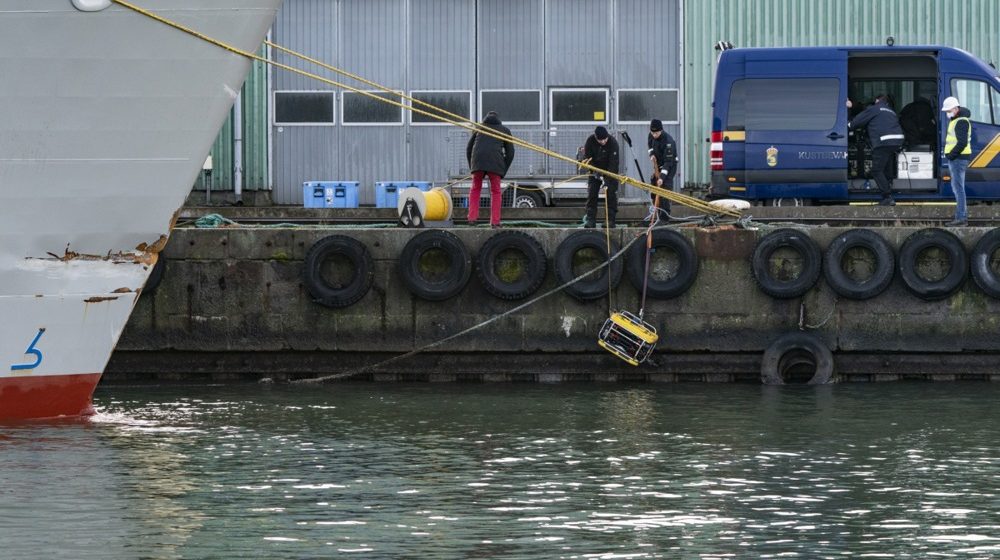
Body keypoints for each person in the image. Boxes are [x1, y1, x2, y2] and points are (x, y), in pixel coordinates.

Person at [847, 94, 905, 205]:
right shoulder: (890, 111)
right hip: (897, 142)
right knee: (887, 168)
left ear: (877, 100)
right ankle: (889, 188)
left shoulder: (874, 109)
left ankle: (887, 197)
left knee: (876, 170)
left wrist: (849, 117)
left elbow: (854, 123)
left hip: (883, 142)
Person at [466, 111, 515, 227]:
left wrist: (472, 167)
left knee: (475, 189)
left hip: (477, 161)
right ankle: (495, 222)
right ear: (498, 119)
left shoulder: (479, 127)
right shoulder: (504, 130)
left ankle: (472, 219)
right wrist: (503, 170)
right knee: (496, 192)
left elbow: (468, 149)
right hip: (496, 162)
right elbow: (511, 153)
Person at [942, 96, 972, 226]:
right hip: (958, 158)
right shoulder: (957, 120)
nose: (947, 113)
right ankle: (960, 217)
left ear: (955, 108)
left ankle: (961, 218)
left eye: (949, 110)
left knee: (958, 188)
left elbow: (962, 143)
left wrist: (951, 155)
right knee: (958, 188)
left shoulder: (961, 121)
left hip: (958, 159)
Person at [583, 126, 620, 228]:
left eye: (605, 139)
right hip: (595, 171)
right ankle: (591, 220)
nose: (603, 141)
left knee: (611, 194)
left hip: (610, 172)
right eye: (600, 140)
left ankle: (610, 220)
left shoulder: (613, 143)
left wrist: (607, 179)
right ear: (596, 138)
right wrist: (596, 173)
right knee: (592, 194)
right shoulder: (590, 141)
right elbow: (588, 159)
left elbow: (614, 163)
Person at [647, 118, 677, 221]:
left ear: (661, 130)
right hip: (658, 163)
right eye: (653, 133)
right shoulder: (651, 135)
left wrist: (662, 177)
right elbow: (650, 146)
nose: (654, 135)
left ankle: (665, 217)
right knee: (654, 185)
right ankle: (657, 213)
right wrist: (651, 155)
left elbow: (668, 163)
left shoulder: (668, 142)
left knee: (665, 188)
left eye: (656, 133)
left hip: (669, 164)